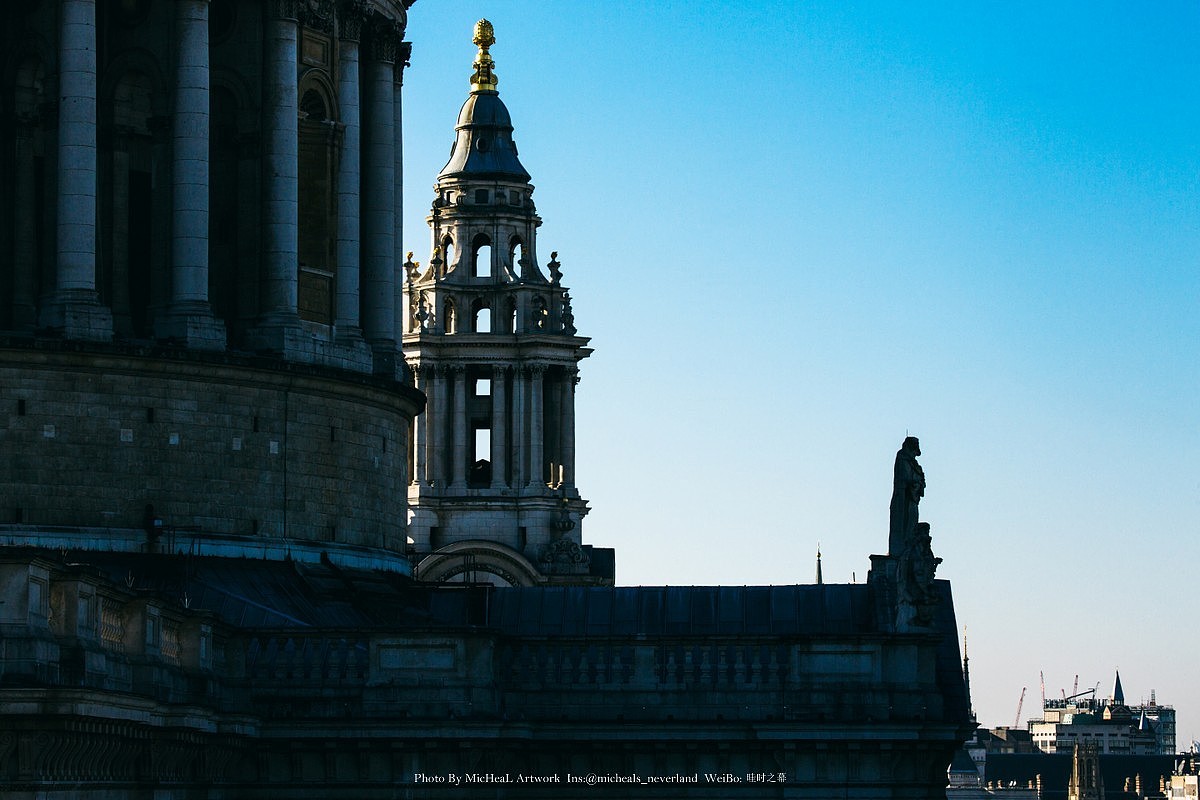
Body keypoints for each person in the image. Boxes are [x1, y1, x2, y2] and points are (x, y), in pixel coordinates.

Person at [888, 436, 924, 556]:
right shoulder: (902, 458)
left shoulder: (914, 463)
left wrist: (919, 483)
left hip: (912, 499)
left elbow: (920, 480)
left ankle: (908, 549)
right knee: (903, 524)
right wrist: (916, 480)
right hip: (903, 499)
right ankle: (901, 552)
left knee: (911, 523)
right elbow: (905, 477)